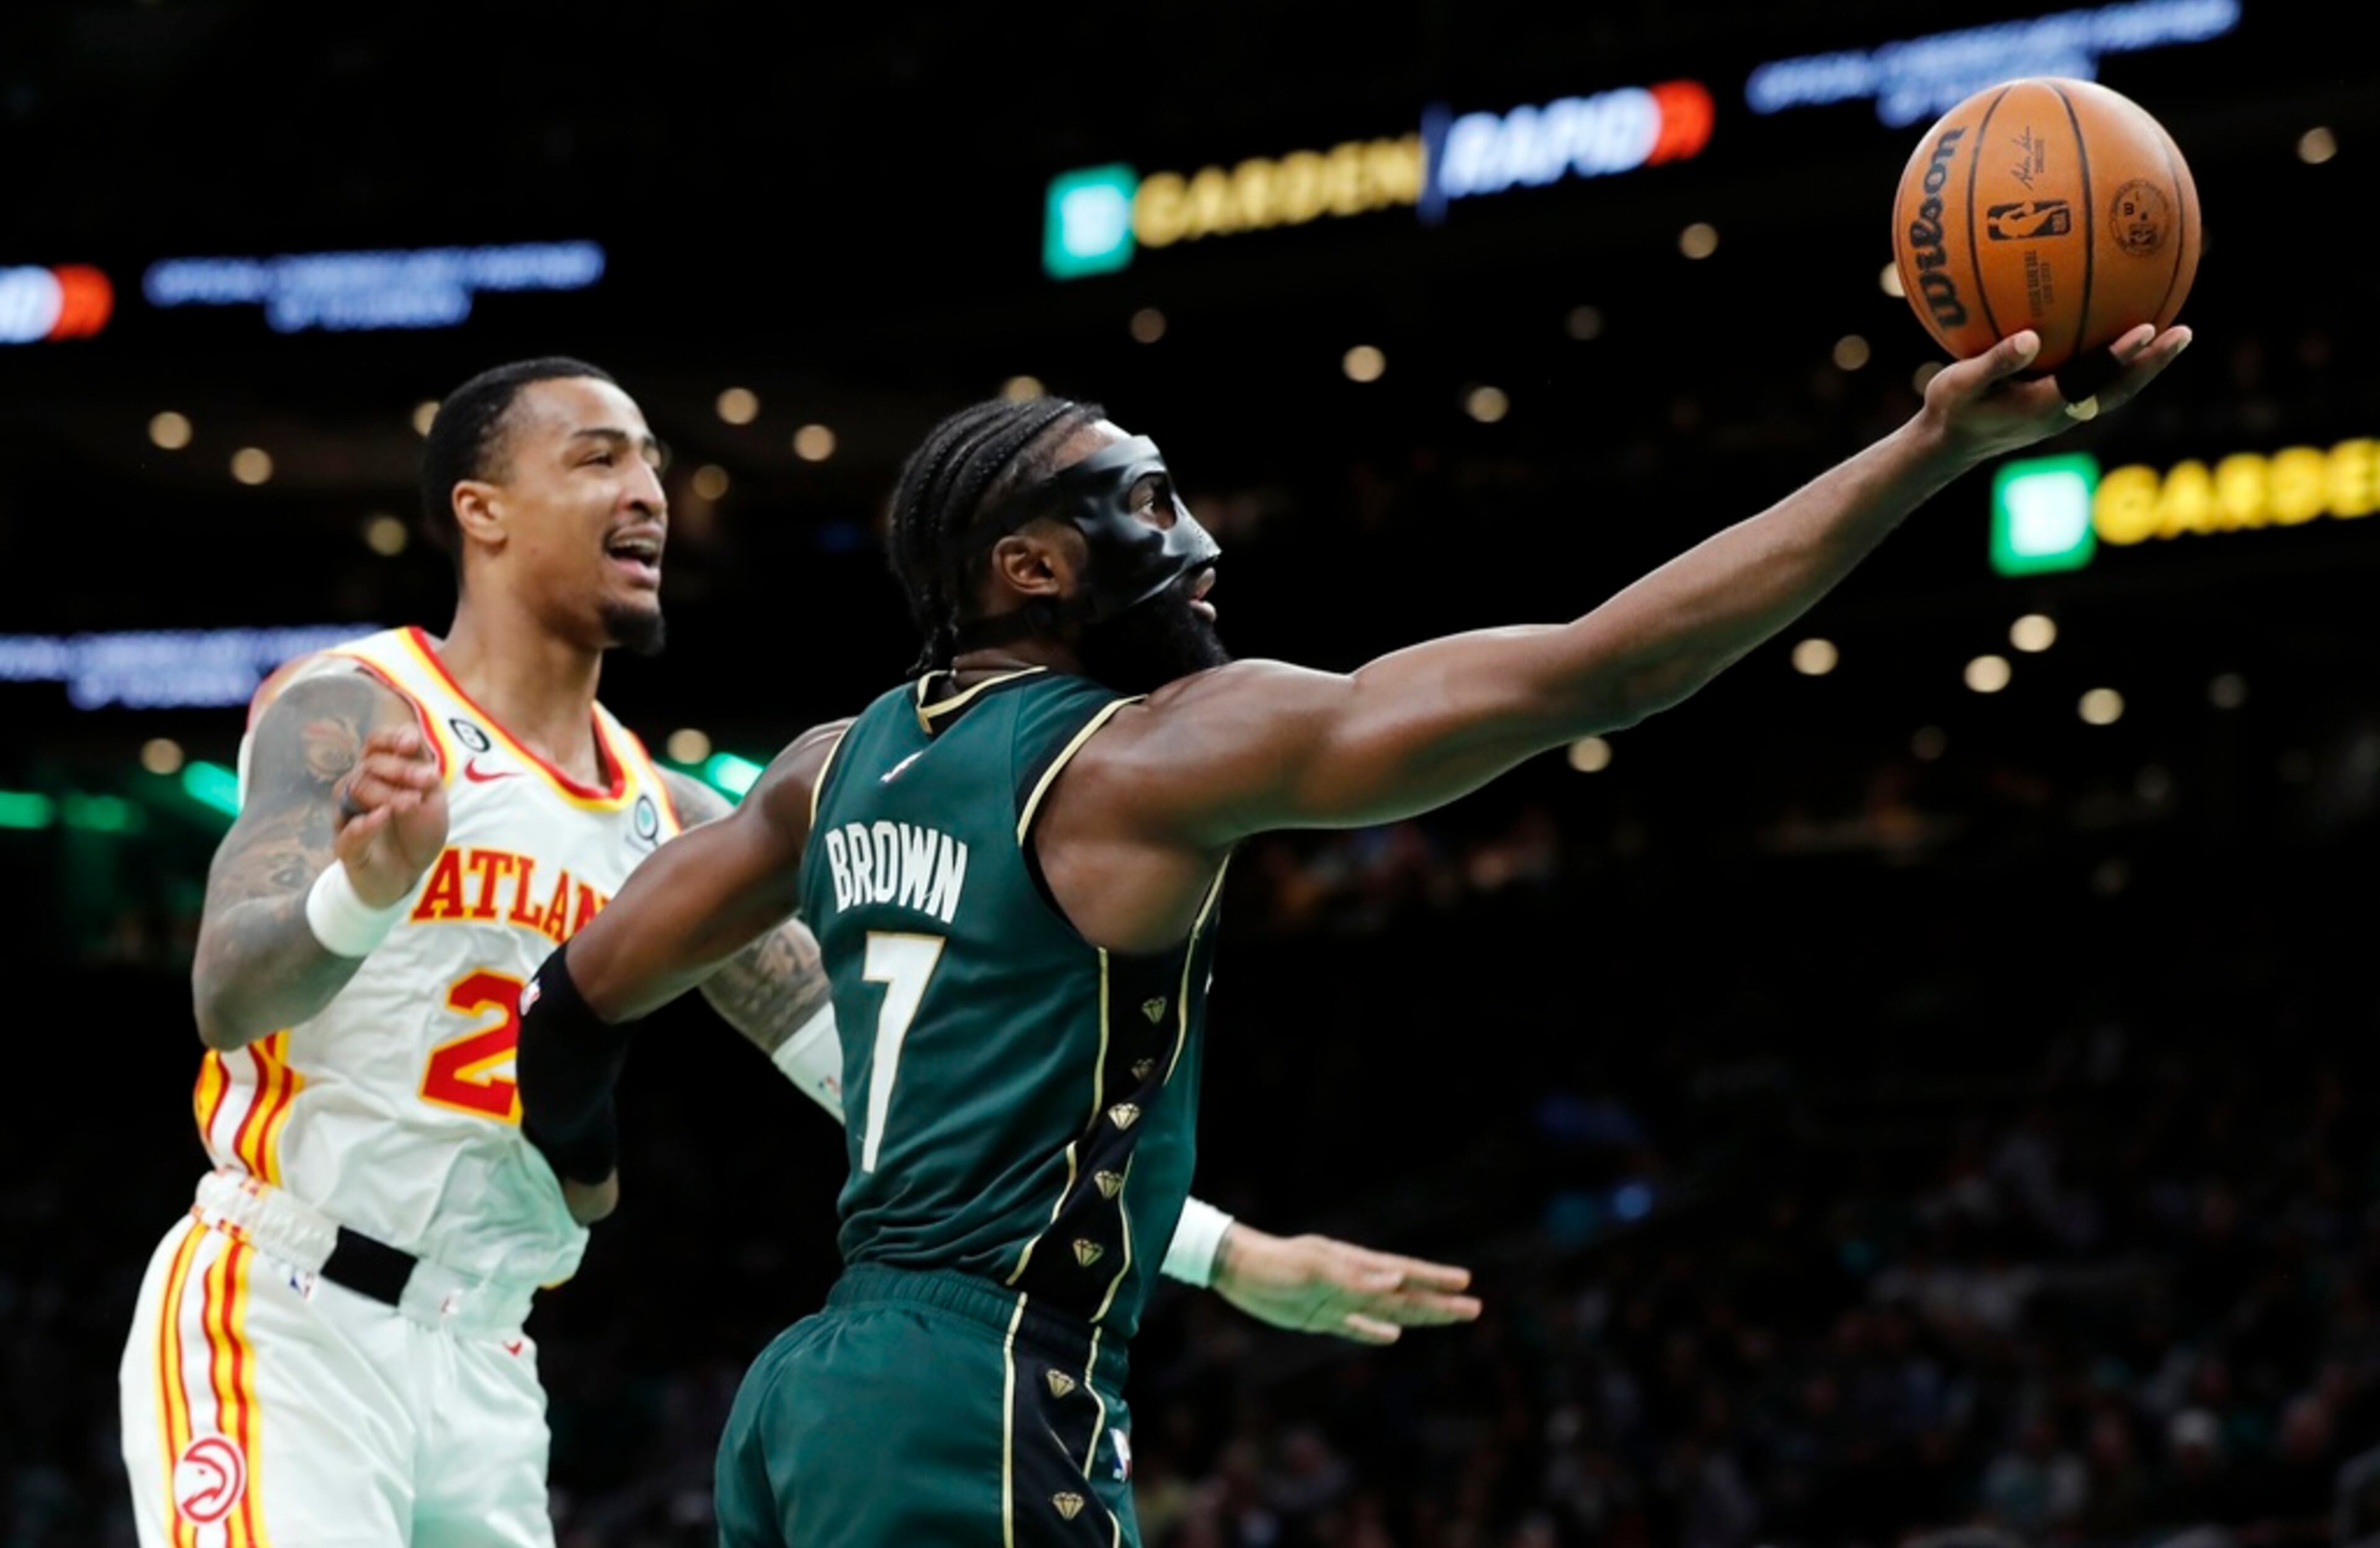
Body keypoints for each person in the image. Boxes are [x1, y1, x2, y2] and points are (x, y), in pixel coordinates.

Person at [513, 322, 2191, 1546]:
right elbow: (1602, 671)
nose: (1199, 538)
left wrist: (583, 1182)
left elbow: (576, 1006)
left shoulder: (828, 766)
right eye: (1145, 505)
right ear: (1029, 567)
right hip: (971, 1396)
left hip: (803, 1400)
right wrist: (1928, 451)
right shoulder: (1148, 755)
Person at [117, 356, 1471, 1548]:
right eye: (597, 458)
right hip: (287, 1307)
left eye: (653, 458)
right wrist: (362, 890)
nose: (647, 487)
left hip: (485, 1356)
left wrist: (1233, 1259)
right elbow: (229, 991)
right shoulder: (359, 702)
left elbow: (892, 1091)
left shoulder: (673, 822)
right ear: (480, 511)